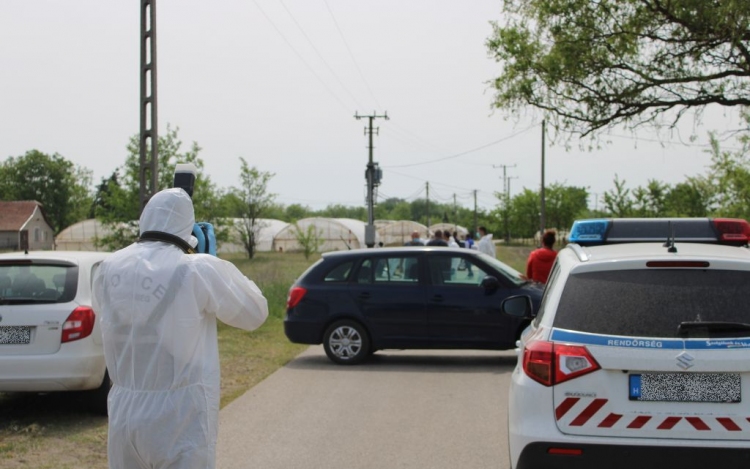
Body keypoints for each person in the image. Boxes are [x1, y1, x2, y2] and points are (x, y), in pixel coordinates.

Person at [92, 188, 269, 469]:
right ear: (188, 227)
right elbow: (254, 314)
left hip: (124, 412)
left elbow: (111, 319)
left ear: (146, 218)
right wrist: (217, 263)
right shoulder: (197, 269)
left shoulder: (107, 267)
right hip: (180, 415)